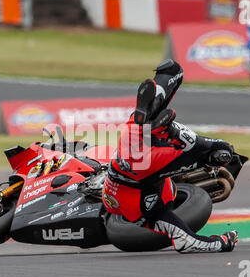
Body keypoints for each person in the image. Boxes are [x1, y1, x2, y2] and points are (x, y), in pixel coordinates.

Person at [101, 59, 238, 254]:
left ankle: (159, 107)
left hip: (132, 176)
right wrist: (224, 243)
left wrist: (222, 243)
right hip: (134, 176)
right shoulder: (154, 206)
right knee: (196, 152)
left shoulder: (156, 164)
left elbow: (194, 153)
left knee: (193, 151)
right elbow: (188, 242)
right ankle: (160, 105)